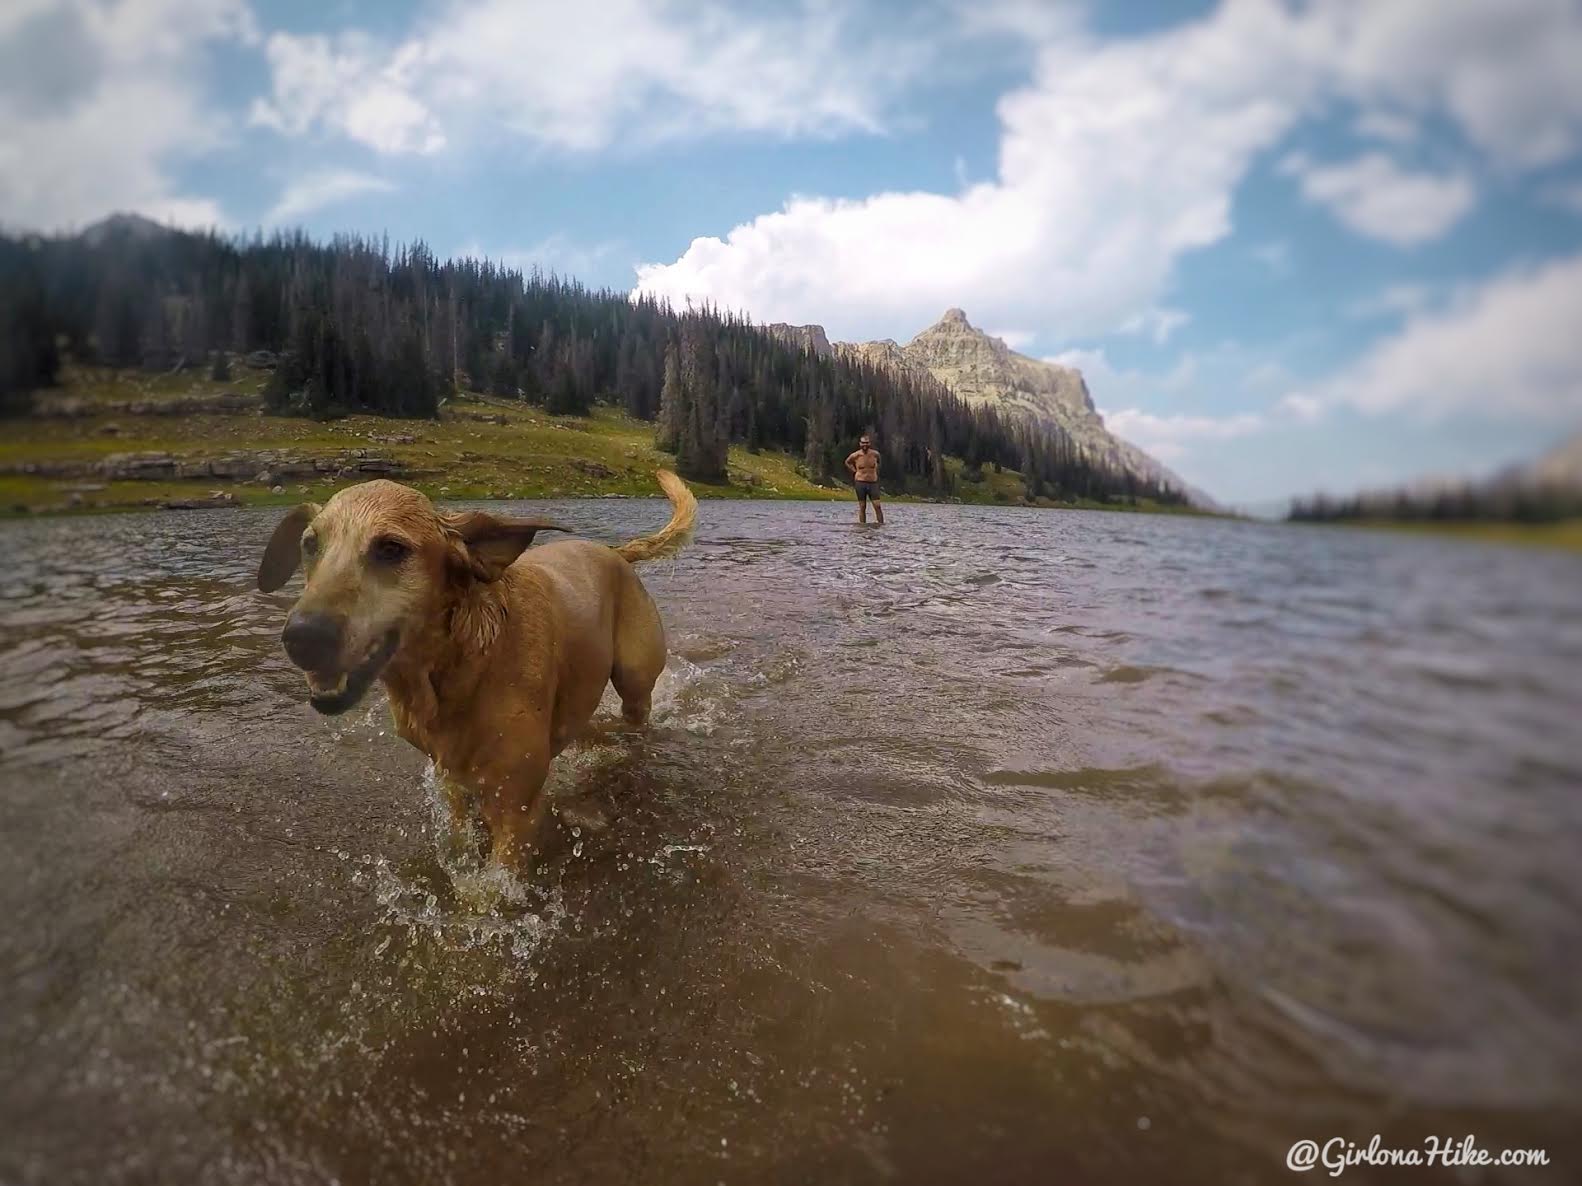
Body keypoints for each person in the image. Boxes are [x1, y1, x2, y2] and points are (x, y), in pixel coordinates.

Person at [844, 434, 885, 525]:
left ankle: (881, 525)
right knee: (862, 506)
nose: (865, 445)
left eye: (866, 443)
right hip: (860, 482)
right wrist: (854, 471)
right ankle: (863, 526)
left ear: (870, 443)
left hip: (873, 483)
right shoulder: (856, 455)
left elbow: (879, 462)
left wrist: (876, 471)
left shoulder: (875, 454)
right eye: (863, 443)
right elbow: (847, 462)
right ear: (860, 444)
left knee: (877, 506)